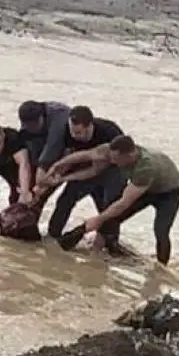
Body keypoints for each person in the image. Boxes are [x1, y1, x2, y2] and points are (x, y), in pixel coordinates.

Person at [57, 135, 179, 265]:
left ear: (130, 156)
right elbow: (86, 155)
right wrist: (57, 167)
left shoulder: (145, 168)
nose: (112, 162)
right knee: (111, 217)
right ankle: (96, 252)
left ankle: (162, 267)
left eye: (116, 159)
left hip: (169, 192)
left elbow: (123, 203)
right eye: (111, 157)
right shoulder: (115, 152)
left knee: (161, 230)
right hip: (146, 186)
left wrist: (98, 219)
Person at [38, 105, 126, 250]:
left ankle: (109, 243)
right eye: (71, 130)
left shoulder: (109, 132)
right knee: (66, 199)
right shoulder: (68, 132)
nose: (74, 135)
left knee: (109, 207)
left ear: (90, 125)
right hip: (86, 167)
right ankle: (53, 236)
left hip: (113, 170)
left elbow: (95, 170)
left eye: (78, 132)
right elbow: (71, 158)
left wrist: (66, 177)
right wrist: (53, 176)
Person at [17, 100, 70, 190]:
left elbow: (54, 143)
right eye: (29, 127)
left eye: (34, 126)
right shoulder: (27, 123)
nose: (32, 129)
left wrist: (42, 167)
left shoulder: (59, 115)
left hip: (67, 144)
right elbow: (26, 143)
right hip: (43, 140)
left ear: (41, 117)